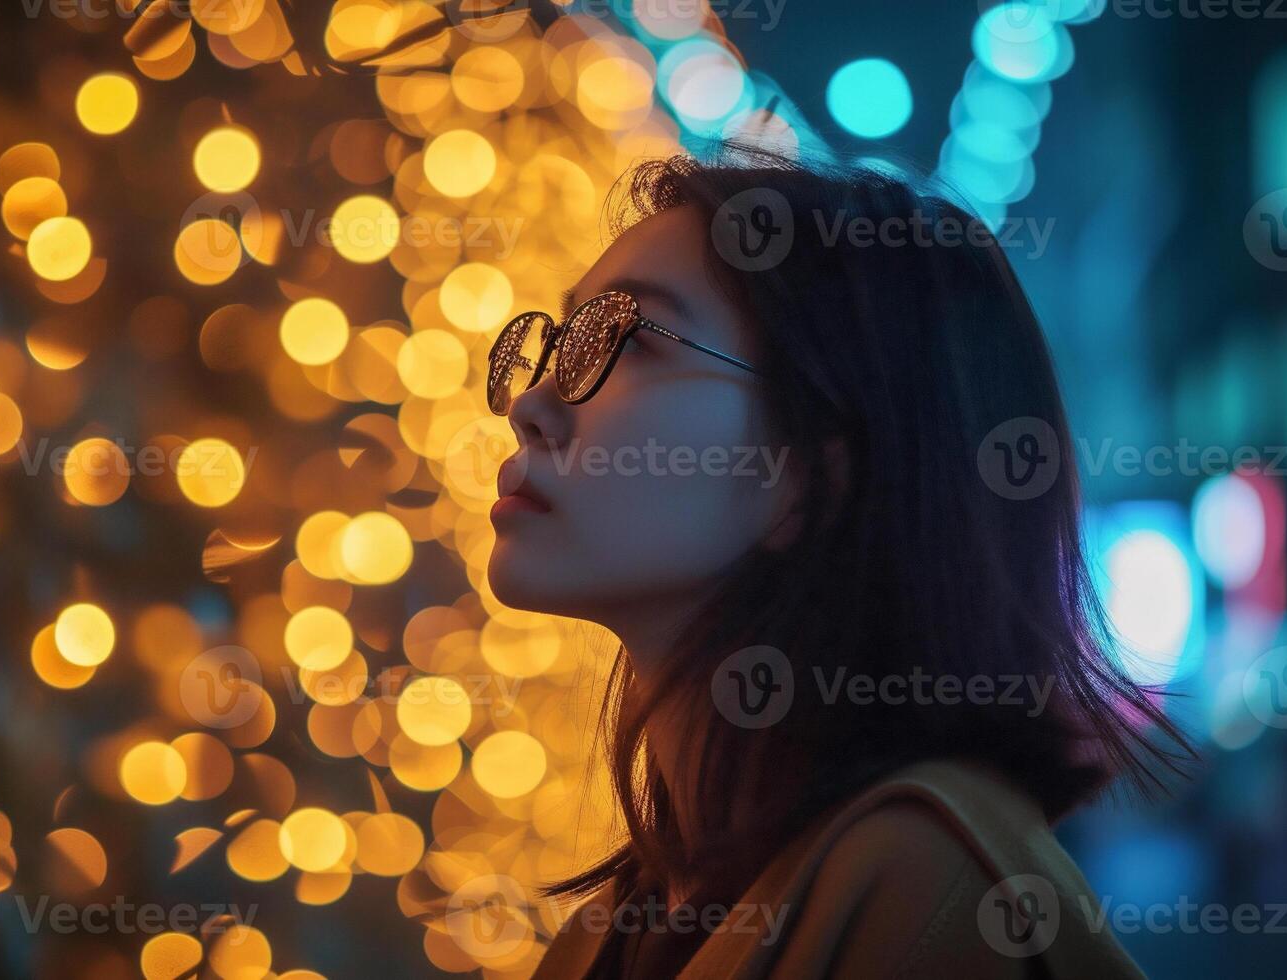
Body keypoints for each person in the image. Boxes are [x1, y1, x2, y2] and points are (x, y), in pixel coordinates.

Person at [483, 144, 1191, 978]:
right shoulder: (631, 921)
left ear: (818, 471)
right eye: (562, 340)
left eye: (625, 339)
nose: (531, 405)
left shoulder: (928, 901)